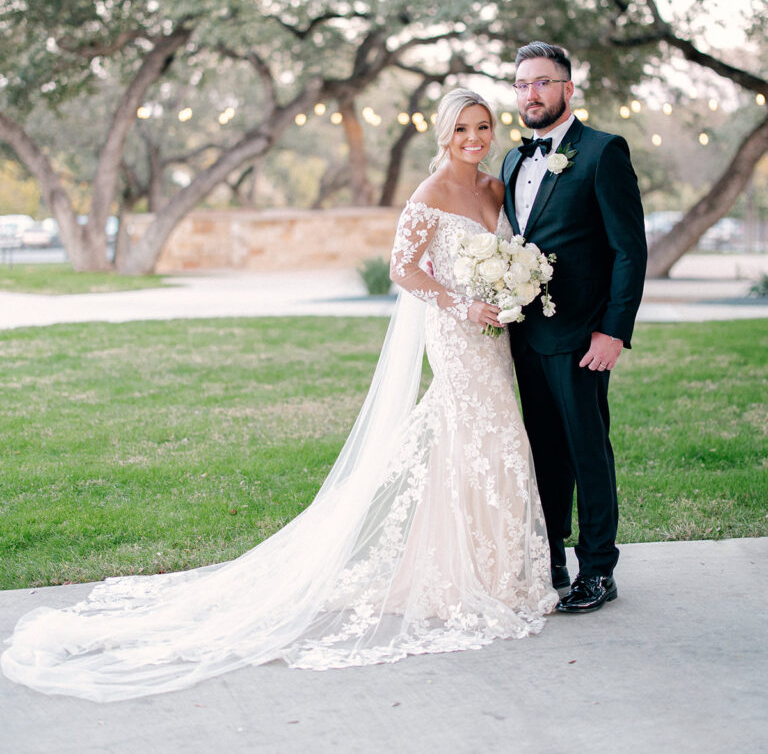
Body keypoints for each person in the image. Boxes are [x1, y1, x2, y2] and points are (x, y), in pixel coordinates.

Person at [1, 87, 557, 703]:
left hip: (492, 335)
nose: (474, 139)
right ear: (443, 136)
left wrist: (509, 290)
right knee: (478, 433)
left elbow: (505, 252)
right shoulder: (426, 197)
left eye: (482, 127)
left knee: (491, 438)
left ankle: (494, 569)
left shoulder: (493, 189)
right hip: (455, 334)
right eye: (462, 130)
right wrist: (462, 302)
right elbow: (404, 270)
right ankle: (467, 576)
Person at [500, 41, 647, 613]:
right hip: (526, 335)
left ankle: (599, 570)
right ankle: (551, 562)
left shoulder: (603, 152)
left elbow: (629, 251)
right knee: (542, 452)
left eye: (542, 82)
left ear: (567, 89)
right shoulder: (513, 160)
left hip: (584, 336)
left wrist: (614, 331)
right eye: (522, 85)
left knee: (588, 451)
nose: (530, 94)